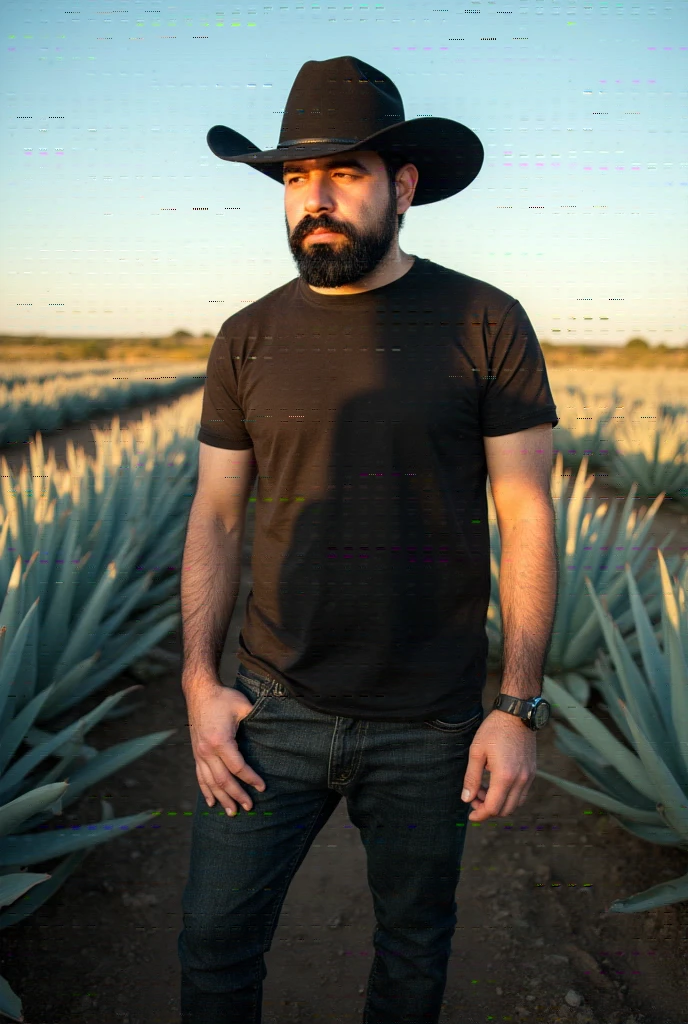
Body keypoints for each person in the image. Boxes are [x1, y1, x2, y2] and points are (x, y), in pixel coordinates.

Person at [178, 55, 559, 1024]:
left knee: (412, 947)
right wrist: (197, 682)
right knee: (213, 945)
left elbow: (525, 511)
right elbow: (216, 514)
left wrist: (514, 704)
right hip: (272, 711)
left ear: (403, 184)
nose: (314, 197)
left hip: (430, 725)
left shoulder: (486, 321)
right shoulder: (248, 337)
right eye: (295, 177)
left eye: (343, 171)